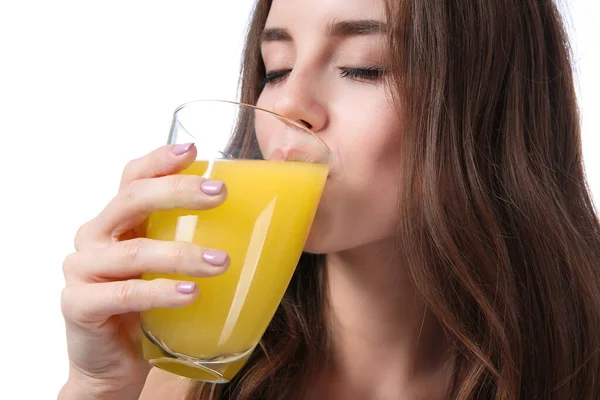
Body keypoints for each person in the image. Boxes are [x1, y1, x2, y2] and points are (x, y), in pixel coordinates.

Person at [59, 0, 600, 399]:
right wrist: (98, 386)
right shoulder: (184, 379)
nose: (289, 102)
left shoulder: (579, 370)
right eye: (276, 69)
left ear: (493, 105)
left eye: (363, 67)